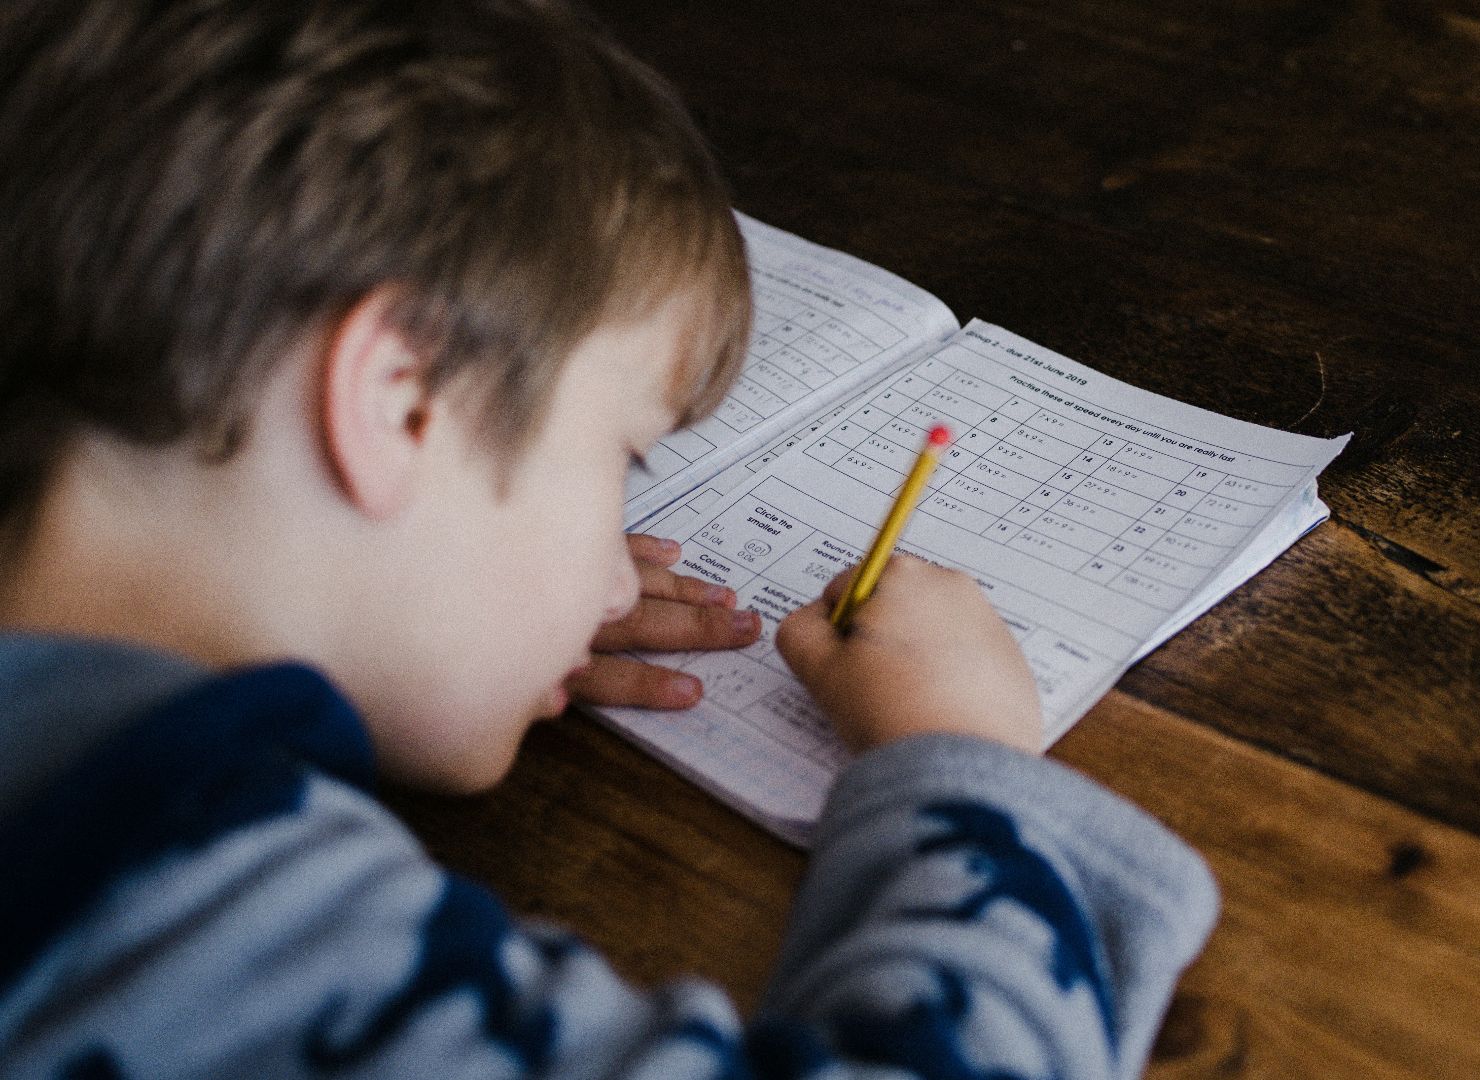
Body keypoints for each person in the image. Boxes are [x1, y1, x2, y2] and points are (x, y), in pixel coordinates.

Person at [0, 2, 1218, 1078]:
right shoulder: (186, 916)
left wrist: (433, 624)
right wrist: (965, 765)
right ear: (401, 403)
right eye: (621, 460)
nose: (609, 569)